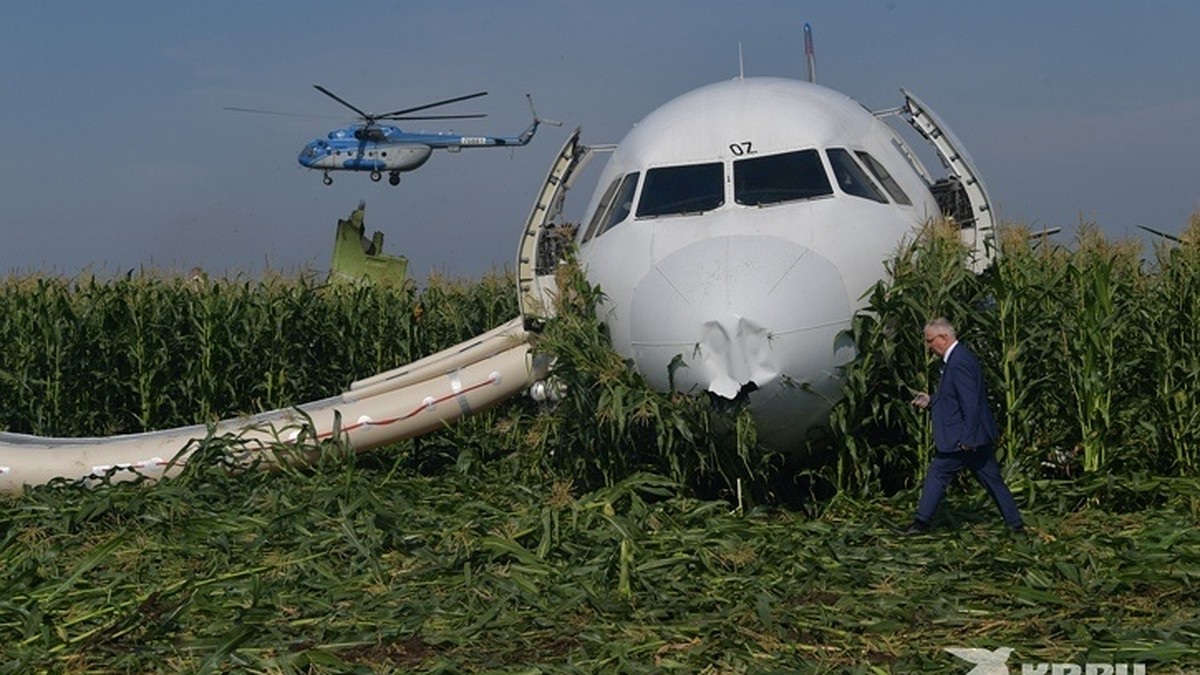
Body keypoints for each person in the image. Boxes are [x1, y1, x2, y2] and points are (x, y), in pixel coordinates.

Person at [896, 317, 1025, 535]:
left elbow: (970, 402)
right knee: (992, 480)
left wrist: (967, 438)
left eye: (930, 341)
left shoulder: (958, 362)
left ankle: (920, 524)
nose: (928, 347)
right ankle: (1016, 525)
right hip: (975, 437)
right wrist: (931, 401)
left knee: (937, 473)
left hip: (963, 439)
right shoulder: (959, 358)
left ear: (944, 337)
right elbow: (954, 396)